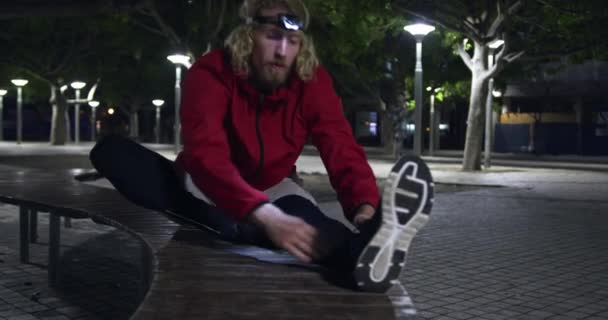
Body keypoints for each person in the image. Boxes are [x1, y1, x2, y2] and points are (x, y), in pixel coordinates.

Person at [89, 0, 434, 293]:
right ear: (248, 36)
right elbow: (207, 154)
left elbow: (339, 143)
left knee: (308, 226)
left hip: (275, 182)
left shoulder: (309, 80)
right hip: (209, 180)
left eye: (293, 41)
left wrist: (365, 209)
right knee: (118, 156)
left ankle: (371, 246)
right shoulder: (210, 73)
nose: (282, 51)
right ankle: (356, 253)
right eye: (272, 37)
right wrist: (264, 215)